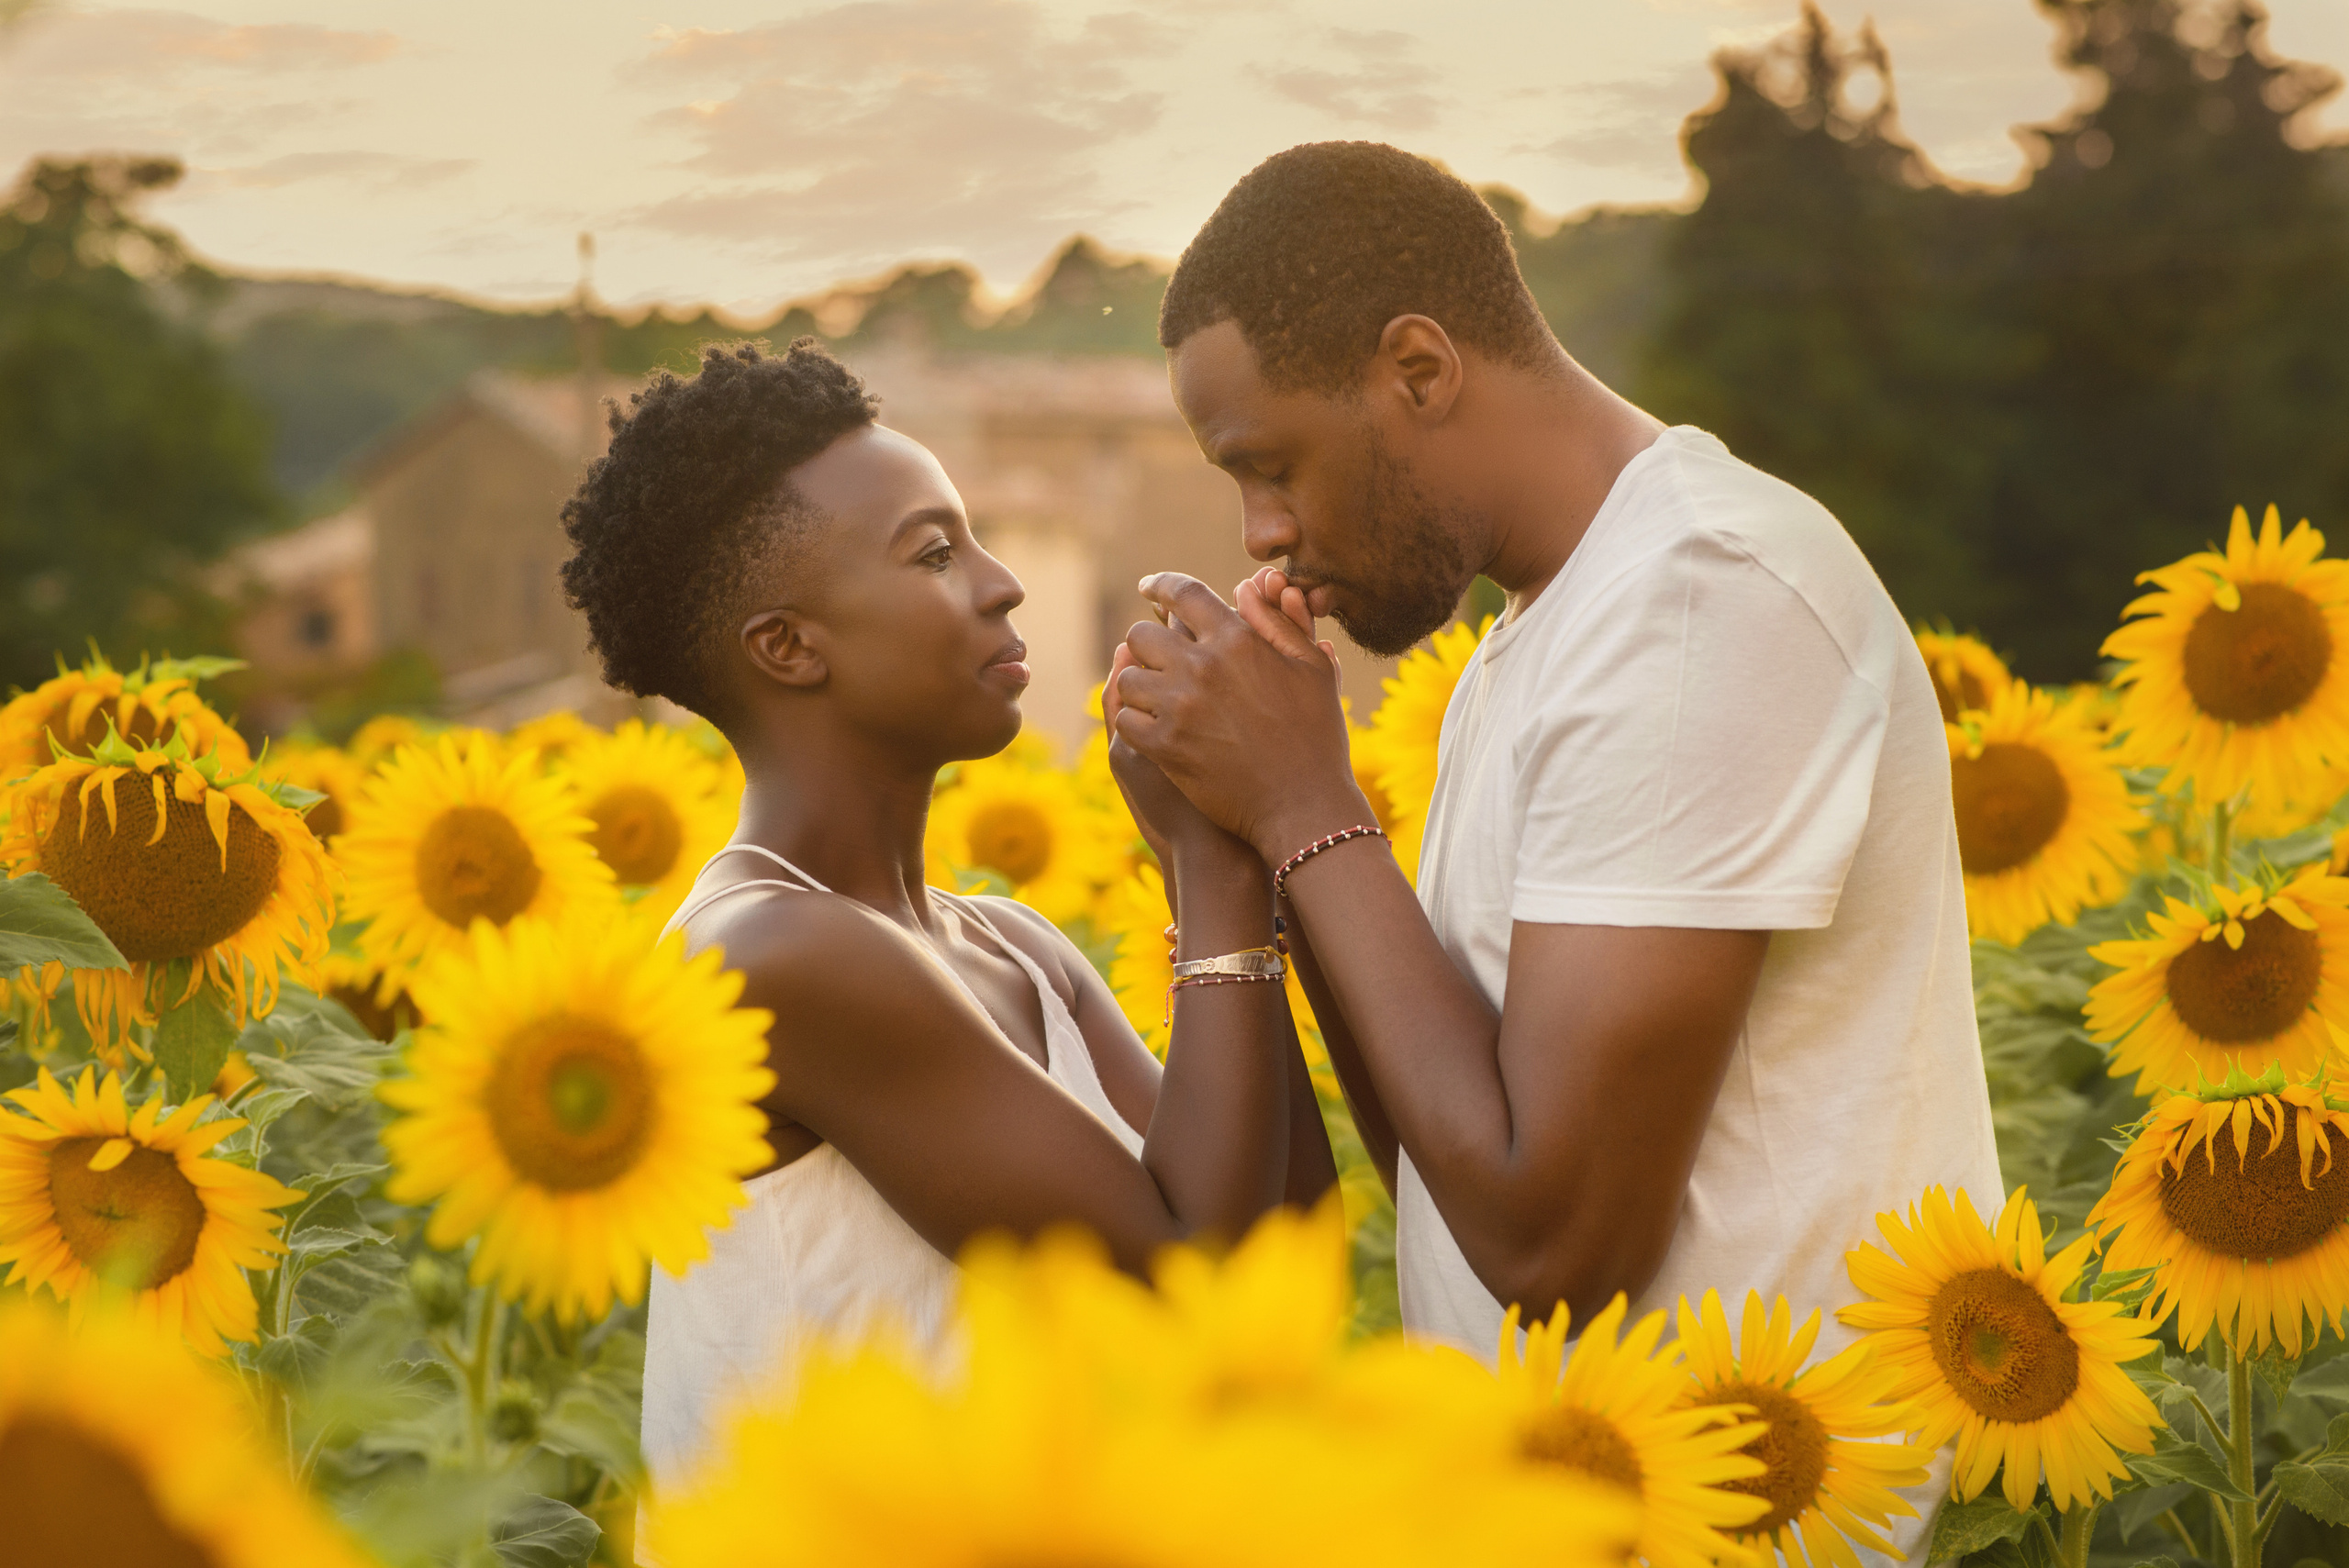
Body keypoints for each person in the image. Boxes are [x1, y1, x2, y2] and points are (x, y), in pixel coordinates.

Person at [1110, 141, 2000, 1533]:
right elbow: (1444, 1163)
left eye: (1270, 465)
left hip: (1741, 1523)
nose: (1263, 535)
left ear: (1419, 368)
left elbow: (1555, 1242)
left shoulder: (1701, 599)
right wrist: (1243, 836)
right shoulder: (1540, 639)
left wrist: (1306, 805)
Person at [556, 340, 1336, 1509]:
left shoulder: (1015, 949)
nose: (1001, 580)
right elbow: (1183, 1290)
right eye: (934, 552)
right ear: (788, 646)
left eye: (972, 535)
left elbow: (1283, 1256)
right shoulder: (769, 955)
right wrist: (1211, 857)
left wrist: (1227, 840)